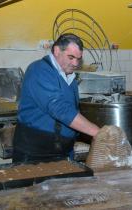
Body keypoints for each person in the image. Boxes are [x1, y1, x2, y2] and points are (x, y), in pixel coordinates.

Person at [13, 33, 100, 162]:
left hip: (62, 151)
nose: (75, 63)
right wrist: (98, 133)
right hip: (36, 154)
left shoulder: (69, 76)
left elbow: (72, 109)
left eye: (78, 59)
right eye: (71, 57)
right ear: (57, 50)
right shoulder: (39, 70)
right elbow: (59, 108)